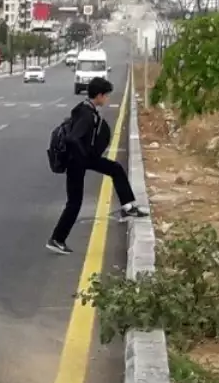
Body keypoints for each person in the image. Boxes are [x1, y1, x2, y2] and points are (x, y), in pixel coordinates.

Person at [47, 76, 147, 255]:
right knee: (74, 203)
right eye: (106, 96)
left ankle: (128, 207)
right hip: (76, 162)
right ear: (99, 95)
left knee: (115, 168)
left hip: (82, 159)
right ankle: (57, 238)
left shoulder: (84, 108)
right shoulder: (86, 114)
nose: (107, 99)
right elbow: (73, 138)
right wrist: (84, 156)